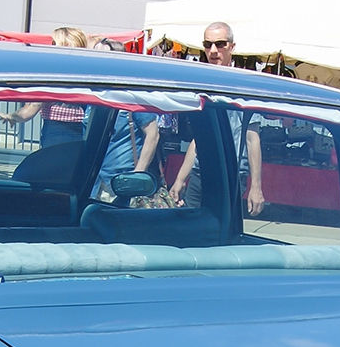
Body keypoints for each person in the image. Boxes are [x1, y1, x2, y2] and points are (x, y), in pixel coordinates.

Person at [167, 21, 264, 214]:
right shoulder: (202, 86)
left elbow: (252, 138)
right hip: (199, 174)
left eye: (220, 44)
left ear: (232, 47)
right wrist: (179, 179)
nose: (213, 50)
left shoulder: (245, 87)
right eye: (207, 44)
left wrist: (256, 187)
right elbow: (199, 139)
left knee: (220, 236)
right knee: (191, 230)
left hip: (231, 176)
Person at [91, 40, 161, 201]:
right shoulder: (93, 96)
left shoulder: (131, 96)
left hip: (122, 183)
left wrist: (137, 177)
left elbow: (153, 134)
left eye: (102, 56)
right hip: (93, 182)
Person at [0, 27, 90, 147]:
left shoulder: (52, 74)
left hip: (54, 131)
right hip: (84, 131)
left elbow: (30, 109)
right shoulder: (85, 73)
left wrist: (11, 116)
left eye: (53, 43)